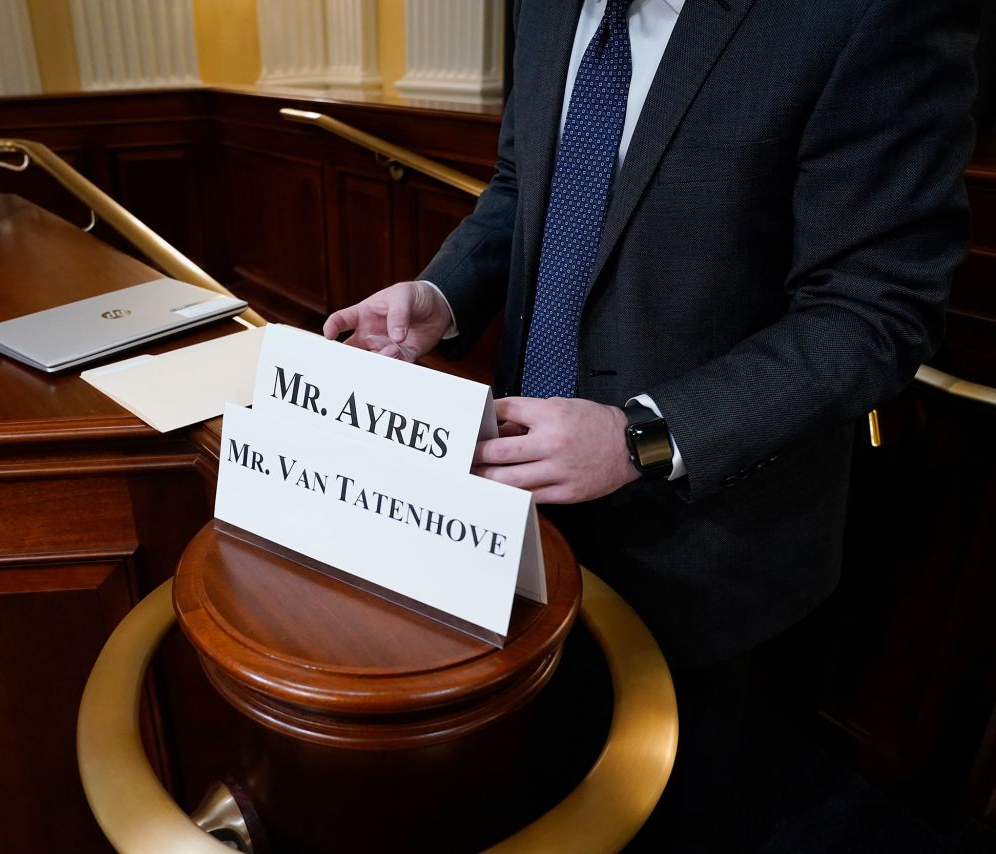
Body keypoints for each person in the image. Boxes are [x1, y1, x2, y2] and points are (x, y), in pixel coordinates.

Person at [324, 0, 978, 849]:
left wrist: (645, 436)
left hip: (711, 540)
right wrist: (443, 295)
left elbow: (871, 315)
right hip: (521, 502)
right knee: (538, 778)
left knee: (680, 813)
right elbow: (526, 183)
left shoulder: (868, 17)